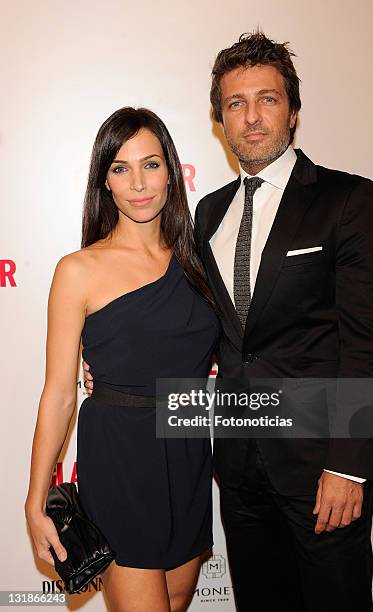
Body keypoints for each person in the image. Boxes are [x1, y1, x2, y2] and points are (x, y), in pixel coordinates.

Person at [82, 34, 373, 611]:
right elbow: (176, 315)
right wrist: (105, 352)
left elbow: (369, 345)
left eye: (267, 99)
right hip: (235, 468)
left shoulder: (346, 200)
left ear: (293, 111)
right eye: (234, 103)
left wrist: (349, 469)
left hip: (319, 468)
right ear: (219, 119)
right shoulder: (207, 213)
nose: (251, 117)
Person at [24, 107, 220, 612]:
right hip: (121, 459)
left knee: (175, 602)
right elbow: (60, 392)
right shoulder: (79, 270)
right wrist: (34, 498)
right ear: (103, 182)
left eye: (151, 165)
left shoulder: (200, 261)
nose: (138, 183)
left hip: (188, 452)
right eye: (120, 168)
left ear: (171, 174)